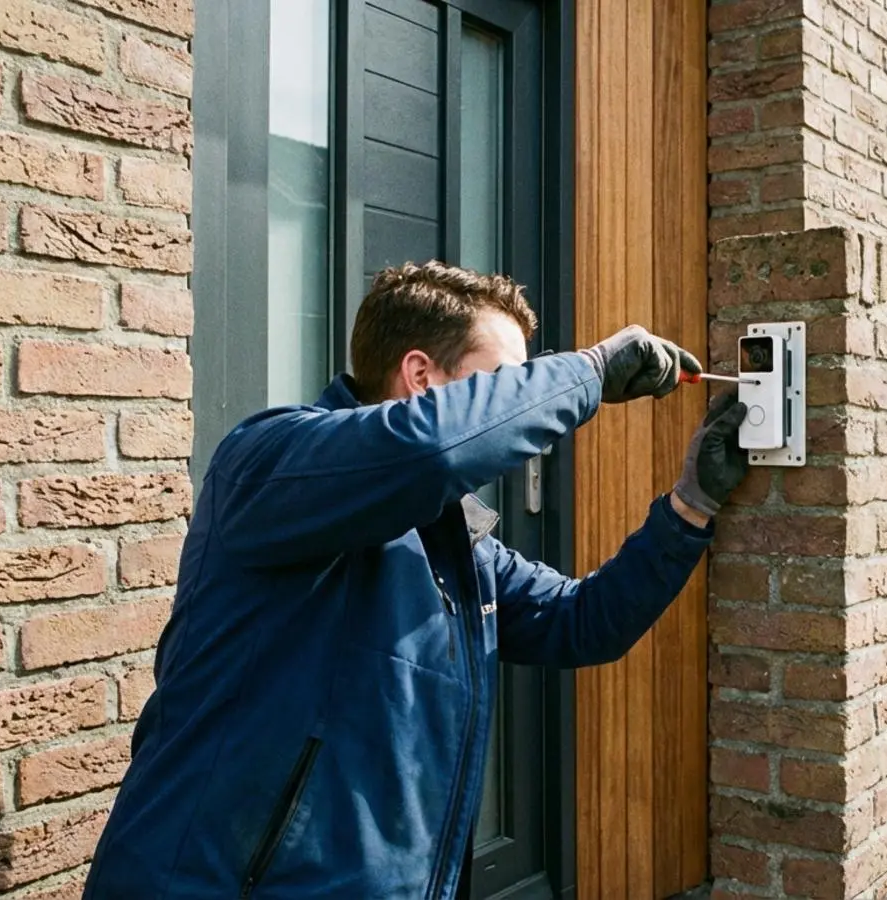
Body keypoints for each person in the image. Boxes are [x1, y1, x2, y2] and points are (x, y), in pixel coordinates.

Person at [82, 261, 751, 900]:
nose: (526, 410)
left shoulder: (456, 548)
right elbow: (430, 449)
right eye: (506, 381)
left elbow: (582, 623)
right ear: (421, 378)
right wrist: (587, 372)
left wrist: (688, 508)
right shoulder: (268, 462)